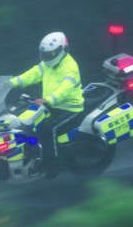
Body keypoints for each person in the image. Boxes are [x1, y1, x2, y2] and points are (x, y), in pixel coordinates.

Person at [9, 31, 84, 178]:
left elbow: (65, 89)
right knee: (26, 122)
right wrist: (10, 83)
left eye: (50, 54)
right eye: (44, 54)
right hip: (51, 104)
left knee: (48, 129)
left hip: (69, 108)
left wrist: (48, 99)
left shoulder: (70, 67)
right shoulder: (47, 64)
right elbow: (32, 74)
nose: (46, 57)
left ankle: (52, 165)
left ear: (62, 50)